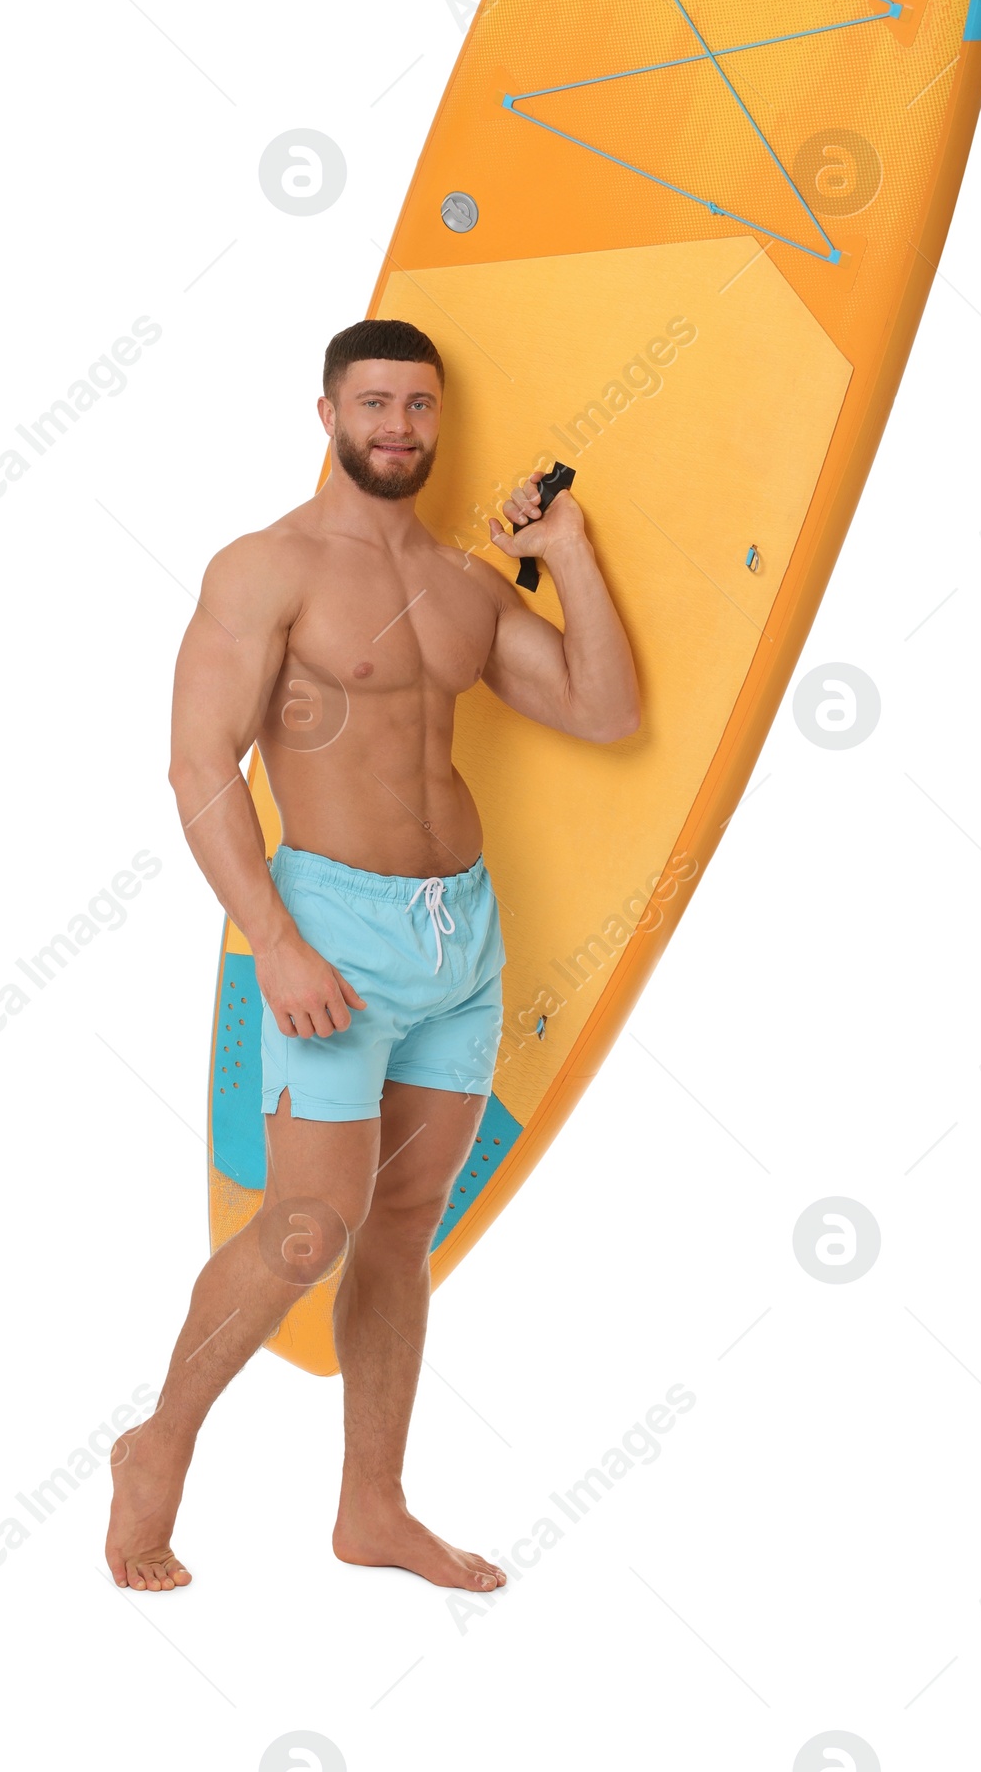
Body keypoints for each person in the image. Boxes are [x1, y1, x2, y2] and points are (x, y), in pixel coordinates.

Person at [106, 318, 640, 1594]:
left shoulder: (462, 583)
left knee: (402, 1225)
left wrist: (563, 552)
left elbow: (603, 709)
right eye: (375, 403)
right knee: (309, 1226)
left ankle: (374, 1507)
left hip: (462, 936)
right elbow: (197, 769)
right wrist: (274, 940)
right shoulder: (265, 568)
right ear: (328, 412)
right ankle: (157, 1446)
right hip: (327, 928)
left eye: (418, 406)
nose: (398, 426)